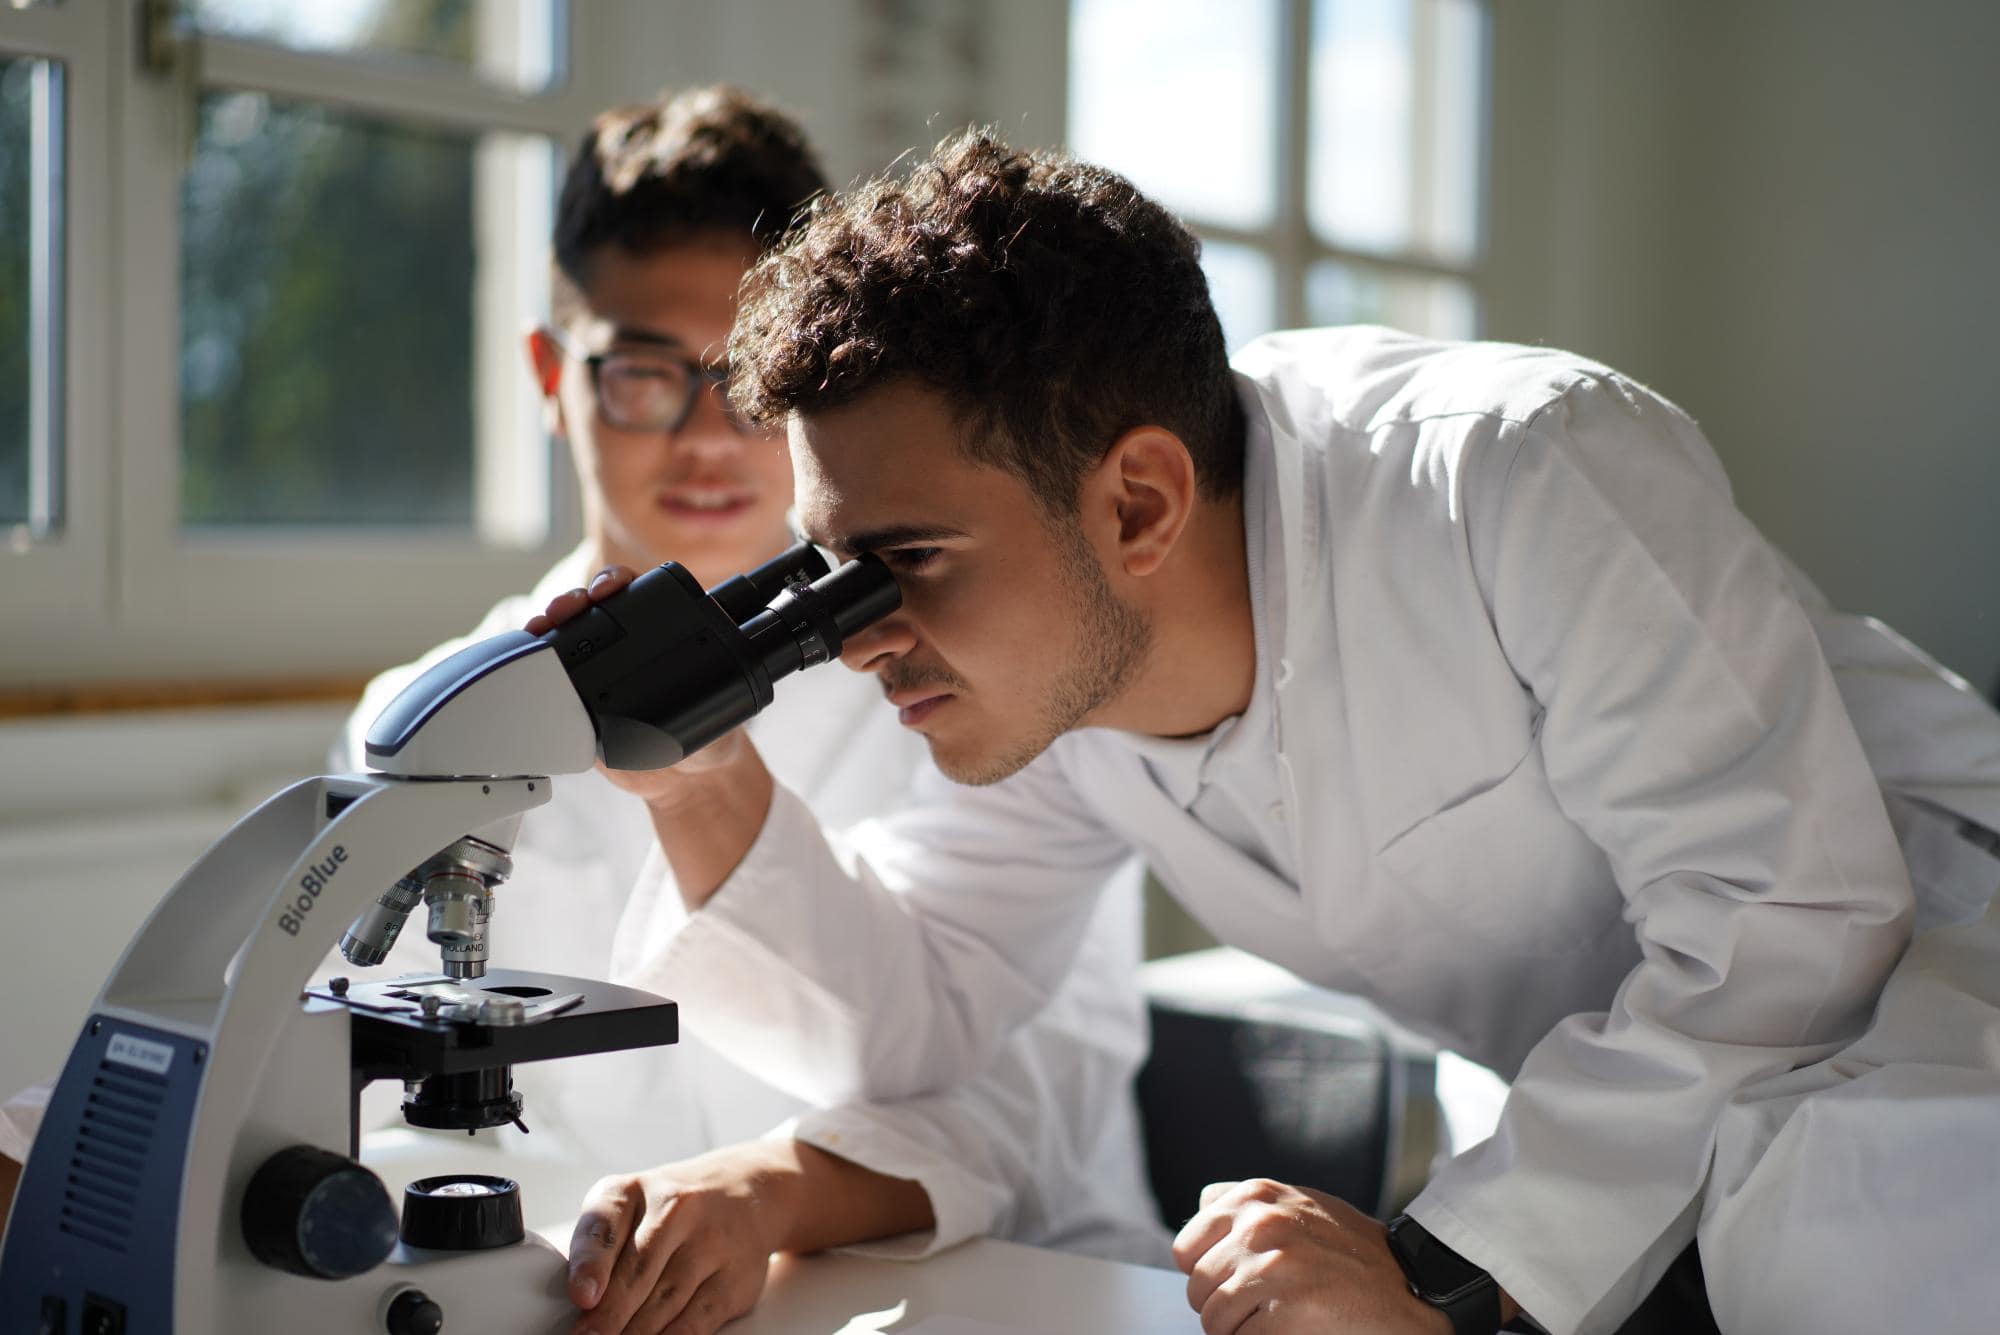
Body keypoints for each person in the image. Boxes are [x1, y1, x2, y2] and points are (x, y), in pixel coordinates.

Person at [543, 130, 2000, 1335]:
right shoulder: (1059, 679)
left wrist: (1430, 1262)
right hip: (1646, 1116)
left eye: (902, 560)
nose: (855, 639)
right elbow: (918, 1015)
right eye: (829, 566)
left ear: (1138, 501)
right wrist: (703, 773)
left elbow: (1790, 927)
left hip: (1931, 1050)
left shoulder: (1516, 472)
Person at [0, 91, 1166, 1335]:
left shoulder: (971, 655)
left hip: (1005, 1289)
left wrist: (770, 1193)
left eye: (745, 385)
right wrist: (54, 1150)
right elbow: (299, 1035)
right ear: (553, 374)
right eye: (643, 377)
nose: (706, 441)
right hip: (613, 1295)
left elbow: (1034, 1089)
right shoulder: (437, 707)